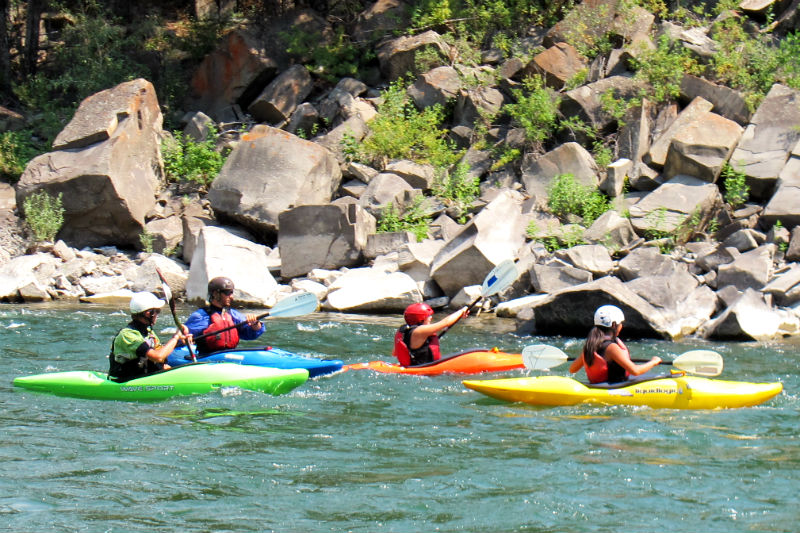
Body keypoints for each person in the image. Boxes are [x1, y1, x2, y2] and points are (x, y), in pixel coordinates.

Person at [109, 291, 191, 382]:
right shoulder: (128, 335)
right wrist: (175, 337)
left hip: (143, 378)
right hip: (124, 381)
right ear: (148, 313)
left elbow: (161, 356)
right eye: (157, 311)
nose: (157, 315)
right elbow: (158, 356)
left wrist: (179, 340)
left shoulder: (148, 332)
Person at [569, 304, 662, 384]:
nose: (622, 326)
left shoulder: (591, 345)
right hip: (615, 388)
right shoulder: (612, 348)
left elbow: (572, 369)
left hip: (597, 386)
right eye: (621, 323)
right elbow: (635, 371)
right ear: (614, 325)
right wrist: (653, 362)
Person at [185, 276, 264, 355]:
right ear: (215, 294)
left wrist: (255, 325)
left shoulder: (234, 315)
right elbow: (181, 337)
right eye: (227, 293)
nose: (231, 297)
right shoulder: (200, 316)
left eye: (231, 292)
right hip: (207, 357)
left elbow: (250, 334)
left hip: (230, 356)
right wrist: (187, 338)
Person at [393, 303, 470, 366]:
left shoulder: (405, 331)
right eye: (428, 316)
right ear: (421, 318)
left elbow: (395, 353)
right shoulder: (420, 331)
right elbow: (445, 323)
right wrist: (461, 311)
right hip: (423, 371)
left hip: (414, 367)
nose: (431, 318)